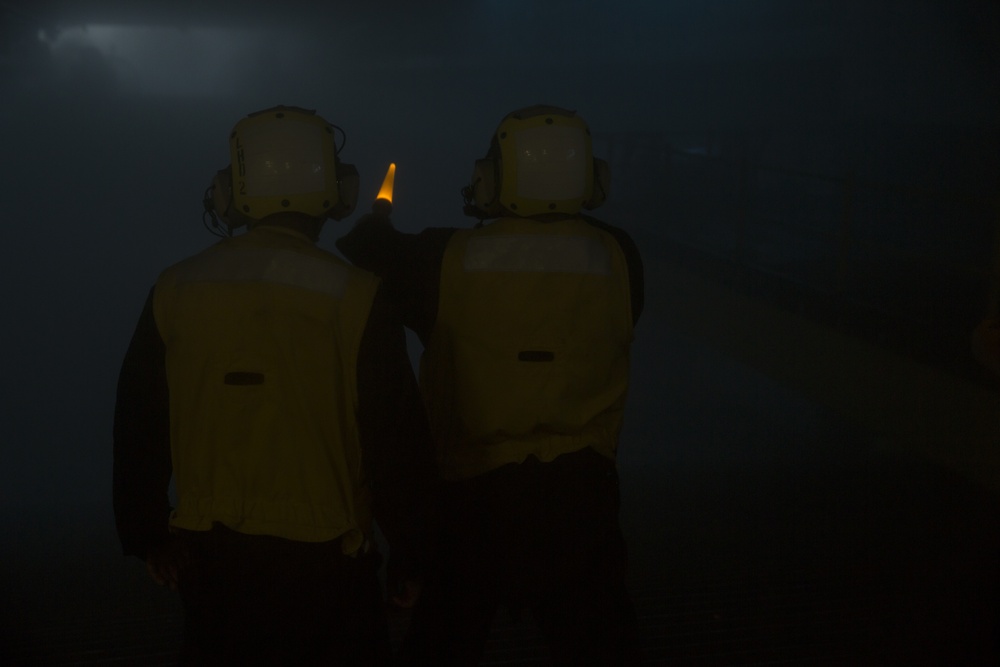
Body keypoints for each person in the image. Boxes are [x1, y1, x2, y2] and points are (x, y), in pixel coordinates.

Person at [113, 105, 437, 666]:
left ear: (231, 191)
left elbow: (140, 422)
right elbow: (394, 440)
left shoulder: (175, 288)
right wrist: (411, 554)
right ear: (335, 191)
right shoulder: (358, 295)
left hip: (210, 567)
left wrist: (148, 535)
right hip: (330, 570)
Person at [337, 104, 643, 665]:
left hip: (471, 504)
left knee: (443, 645)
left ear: (497, 177)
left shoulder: (443, 259)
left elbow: (360, 255)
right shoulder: (620, 256)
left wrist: (378, 217)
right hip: (584, 501)